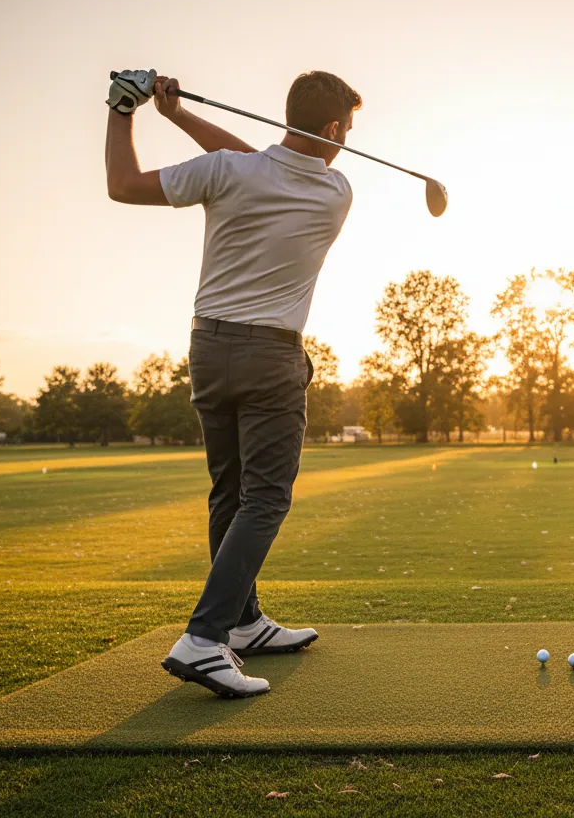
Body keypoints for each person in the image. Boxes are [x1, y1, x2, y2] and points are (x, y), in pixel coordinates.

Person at [105, 69, 360, 697]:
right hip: (270, 356)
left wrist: (130, 111)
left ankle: (244, 623)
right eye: (347, 130)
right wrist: (181, 116)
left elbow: (123, 186)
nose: (349, 142)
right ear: (331, 129)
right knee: (266, 497)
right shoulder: (336, 191)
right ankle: (205, 637)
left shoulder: (224, 171)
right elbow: (265, 162)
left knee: (229, 491)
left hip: (208, 348)